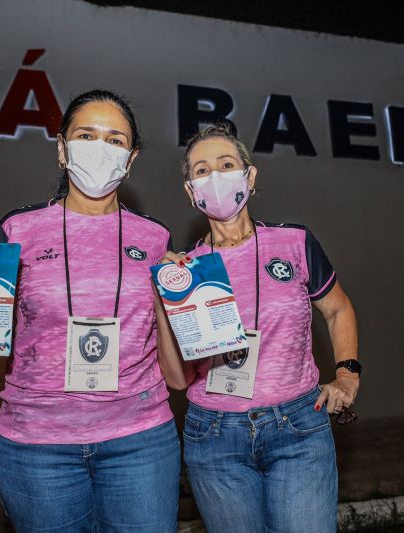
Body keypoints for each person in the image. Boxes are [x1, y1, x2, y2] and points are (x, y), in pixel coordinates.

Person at [0, 90, 180, 532]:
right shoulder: (17, 229)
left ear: (132, 157)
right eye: (86, 135)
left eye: (115, 140)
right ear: (62, 147)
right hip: (35, 448)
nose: (101, 148)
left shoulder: (157, 238)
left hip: (139, 442)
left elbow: (172, 353)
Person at [155, 123, 361, 532]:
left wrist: (347, 375)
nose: (214, 177)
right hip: (214, 436)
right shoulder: (185, 271)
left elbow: (338, 311)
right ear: (190, 191)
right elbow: (177, 380)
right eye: (201, 170)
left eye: (226, 164)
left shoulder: (294, 243)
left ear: (249, 176)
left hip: (298, 427)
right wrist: (165, 297)